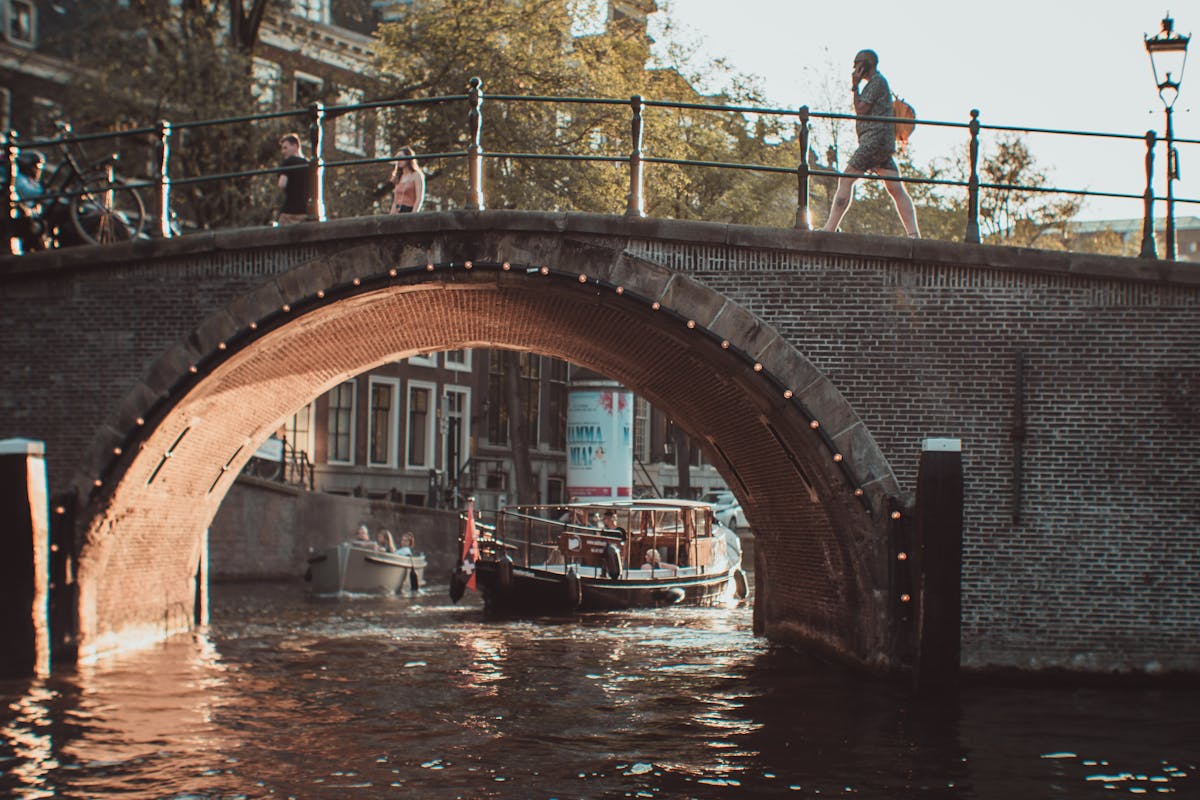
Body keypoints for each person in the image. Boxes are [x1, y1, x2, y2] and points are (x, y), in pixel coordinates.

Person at [819, 49, 920, 239]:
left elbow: (861, 109)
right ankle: (914, 235)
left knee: (846, 179)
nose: (855, 68)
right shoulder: (879, 83)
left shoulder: (876, 83)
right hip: (882, 143)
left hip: (873, 142)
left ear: (866, 64)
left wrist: (854, 87)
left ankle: (829, 229)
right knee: (895, 188)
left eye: (857, 64)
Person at [276, 132, 310, 226]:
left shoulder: (289, 162)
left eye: (285, 148)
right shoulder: (309, 164)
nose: (283, 151)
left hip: (289, 212)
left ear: (295, 146)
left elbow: (282, 184)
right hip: (305, 211)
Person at [389, 146, 425, 214]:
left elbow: (419, 199)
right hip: (397, 212)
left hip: (409, 210)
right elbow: (395, 201)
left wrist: (413, 215)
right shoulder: (399, 176)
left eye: (401, 157)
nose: (399, 160)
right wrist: (391, 216)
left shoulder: (416, 175)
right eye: (397, 158)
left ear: (408, 159)